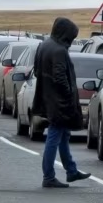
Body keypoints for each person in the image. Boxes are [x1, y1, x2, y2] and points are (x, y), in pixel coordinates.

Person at [31, 17, 91, 188]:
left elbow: (36, 71)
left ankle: (71, 171)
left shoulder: (44, 45)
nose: (71, 42)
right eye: (71, 37)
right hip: (59, 102)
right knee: (54, 136)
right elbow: (60, 78)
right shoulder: (59, 50)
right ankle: (48, 176)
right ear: (65, 34)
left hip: (49, 99)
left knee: (63, 136)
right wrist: (68, 95)